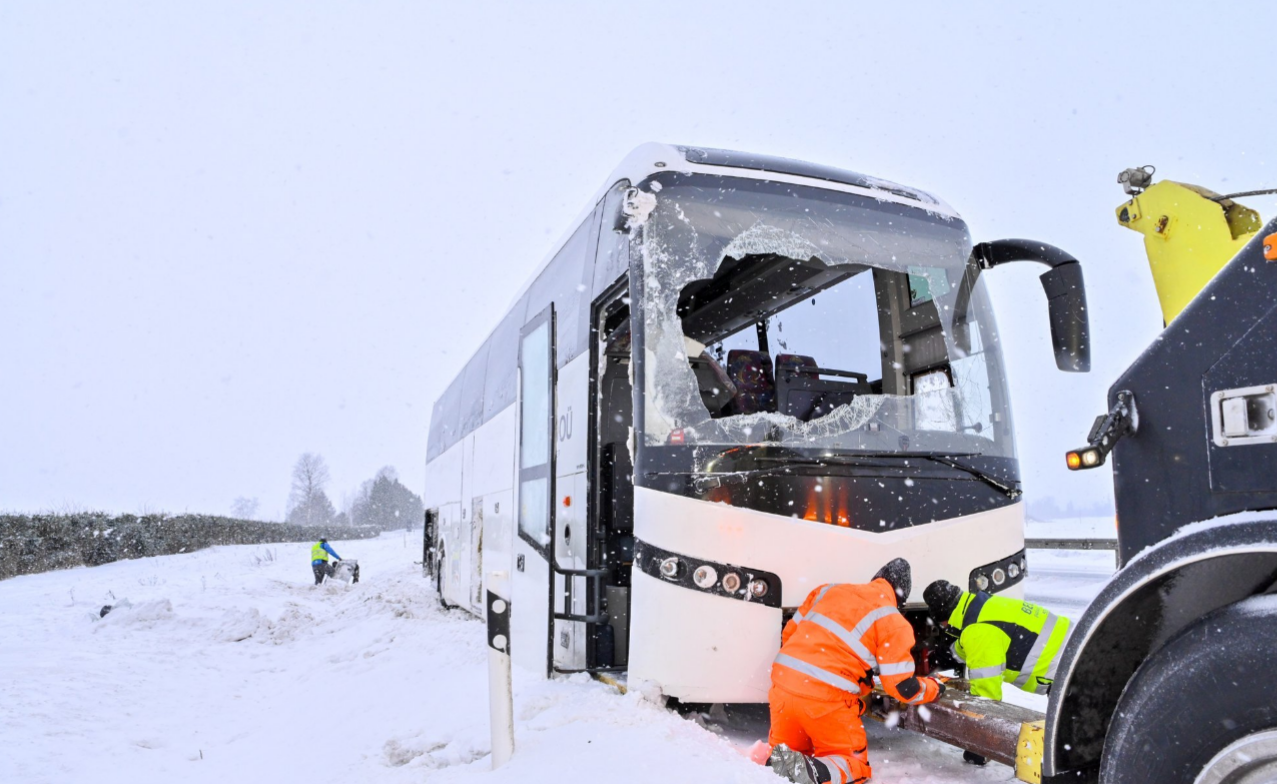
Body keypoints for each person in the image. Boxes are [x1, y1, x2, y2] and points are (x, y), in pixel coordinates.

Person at [767, 558, 945, 784]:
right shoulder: (893, 620)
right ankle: (810, 772)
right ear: (901, 597)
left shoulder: (827, 591)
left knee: (789, 753)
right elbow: (903, 687)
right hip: (825, 701)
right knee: (852, 764)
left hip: (782, 688)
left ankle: (778, 766)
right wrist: (934, 688)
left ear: (876, 579)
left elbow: (789, 635)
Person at [922, 579, 1071, 766]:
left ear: (943, 618)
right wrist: (946, 655)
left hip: (1068, 673)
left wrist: (978, 745)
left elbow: (987, 696)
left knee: (1071, 749)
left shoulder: (977, 631)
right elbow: (973, 641)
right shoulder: (981, 605)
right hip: (1077, 647)